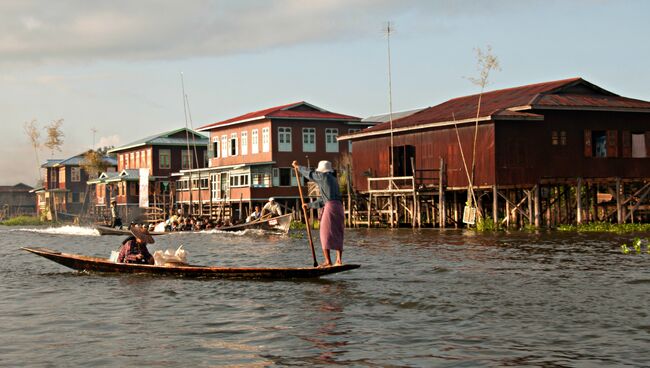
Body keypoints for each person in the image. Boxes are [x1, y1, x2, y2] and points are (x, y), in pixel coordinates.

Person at [293, 160, 344, 267]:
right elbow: (324, 200)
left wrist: (298, 167)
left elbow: (310, 174)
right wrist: (309, 205)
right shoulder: (334, 179)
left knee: (324, 233)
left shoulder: (323, 176)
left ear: (322, 171)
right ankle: (339, 260)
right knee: (338, 232)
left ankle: (328, 261)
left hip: (330, 207)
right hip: (339, 207)